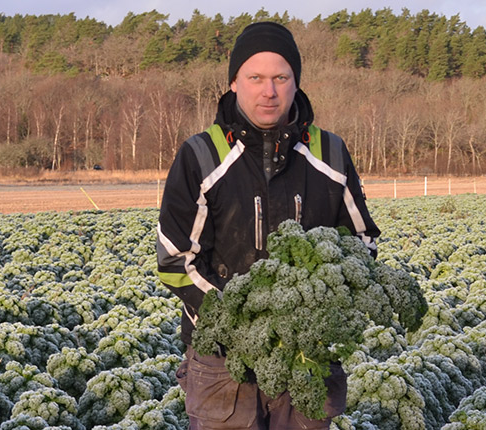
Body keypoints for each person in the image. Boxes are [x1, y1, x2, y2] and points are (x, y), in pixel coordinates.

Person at [155, 21, 380, 430]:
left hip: (306, 357)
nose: (269, 90)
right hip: (223, 362)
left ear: (296, 83)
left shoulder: (329, 152)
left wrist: (314, 313)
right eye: (255, 77)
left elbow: (361, 244)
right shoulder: (201, 155)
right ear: (234, 83)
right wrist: (246, 324)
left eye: (281, 77)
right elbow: (175, 260)